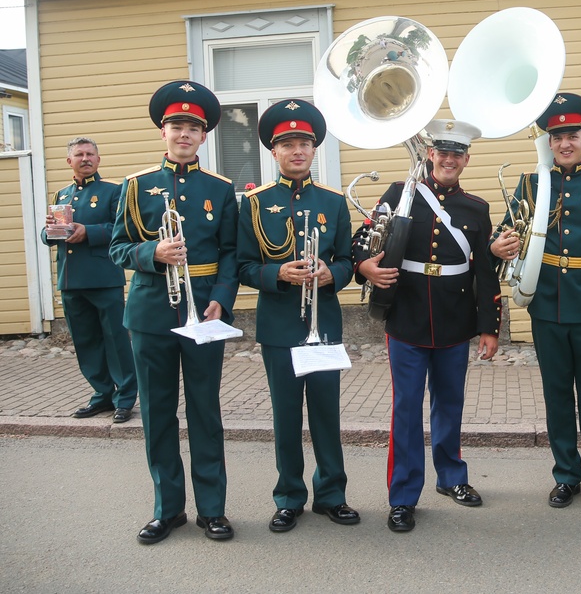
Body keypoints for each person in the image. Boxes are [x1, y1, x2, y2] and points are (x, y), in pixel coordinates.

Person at [353, 119, 501, 533]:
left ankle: (451, 477)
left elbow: (484, 272)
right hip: (407, 317)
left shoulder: (476, 208)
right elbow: (363, 239)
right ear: (430, 154)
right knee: (405, 409)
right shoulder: (401, 194)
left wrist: (489, 326)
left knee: (450, 403)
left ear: (466, 160)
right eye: (443, 152)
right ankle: (402, 497)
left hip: (455, 318)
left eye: (457, 154)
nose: (449, 159)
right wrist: (363, 267)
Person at [490, 93, 581, 513]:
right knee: (557, 395)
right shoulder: (532, 182)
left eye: (573, 135)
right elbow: (503, 230)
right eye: (557, 137)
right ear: (549, 142)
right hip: (547, 304)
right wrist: (498, 245)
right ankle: (566, 476)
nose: (565, 144)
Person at [110, 80, 238, 544]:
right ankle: (168, 509)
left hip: (204, 311)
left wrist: (222, 298)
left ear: (204, 137)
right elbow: (118, 248)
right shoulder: (135, 186)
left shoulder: (220, 189)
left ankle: (212, 510)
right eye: (176, 126)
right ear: (163, 132)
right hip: (150, 313)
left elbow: (230, 251)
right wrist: (152, 253)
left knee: (205, 411)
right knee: (158, 413)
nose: (184, 135)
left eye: (193, 128)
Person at [237, 99, 360, 533]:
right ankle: (289, 496)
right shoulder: (253, 204)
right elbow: (243, 266)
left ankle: (332, 494)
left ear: (314, 149)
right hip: (279, 326)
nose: (297, 151)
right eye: (287, 144)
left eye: (304, 143)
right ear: (274, 152)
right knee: (286, 415)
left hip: (322, 325)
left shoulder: (333, 201)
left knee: (327, 413)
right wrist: (277, 273)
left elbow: (347, 259)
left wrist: (333, 273)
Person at [42, 137, 137, 423]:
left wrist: (89, 232)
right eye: (79, 155)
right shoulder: (62, 195)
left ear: (98, 159)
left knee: (116, 340)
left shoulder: (112, 191)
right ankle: (102, 394)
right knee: (86, 342)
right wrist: (49, 231)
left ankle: (126, 397)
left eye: (90, 154)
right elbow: (50, 236)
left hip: (103, 278)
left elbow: (124, 229)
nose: (85, 159)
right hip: (71, 280)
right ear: (69, 161)